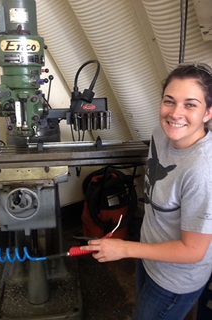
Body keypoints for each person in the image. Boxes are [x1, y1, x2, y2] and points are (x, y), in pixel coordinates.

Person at [80, 62, 212, 320]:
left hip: (175, 280)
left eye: (190, 104)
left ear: (208, 113)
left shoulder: (202, 172)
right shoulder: (161, 135)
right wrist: (135, 249)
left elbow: (193, 250)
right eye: (169, 101)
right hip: (149, 256)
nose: (175, 113)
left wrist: (125, 249)